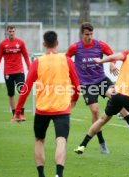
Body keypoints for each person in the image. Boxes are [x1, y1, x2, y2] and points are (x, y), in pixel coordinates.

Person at [74, 39, 129, 158]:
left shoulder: (128, 54)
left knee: (102, 120)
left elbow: (113, 57)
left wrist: (101, 60)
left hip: (117, 95)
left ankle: (82, 145)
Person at [12, 31, 80, 177]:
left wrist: (18, 111)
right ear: (57, 43)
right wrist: (74, 98)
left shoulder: (38, 62)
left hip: (42, 109)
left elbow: (26, 88)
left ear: (44, 44)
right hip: (62, 108)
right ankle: (59, 174)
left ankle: (41, 175)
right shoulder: (66, 60)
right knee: (61, 140)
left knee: (39, 140)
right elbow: (76, 84)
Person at [66, 22, 129, 154]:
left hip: (101, 79)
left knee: (117, 97)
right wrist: (72, 67)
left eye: (91, 34)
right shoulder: (75, 47)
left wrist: (112, 64)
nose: (89, 37)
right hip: (87, 84)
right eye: (87, 34)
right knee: (95, 110)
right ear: (82, 34)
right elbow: (66, 58)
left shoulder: (100, 45)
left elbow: (111, 54)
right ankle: (101, 142)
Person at [0, 25, 30, 115]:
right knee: (11, 94)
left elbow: (26, 56)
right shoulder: (3, 44)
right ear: (7, 32)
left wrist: (29, 67)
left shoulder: (20, 43)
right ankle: (15, 114)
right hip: (8, 72)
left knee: (22, 91)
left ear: (15, 32)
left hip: (19, 71)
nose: (11, 33)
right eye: (10, 31)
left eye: (13, 31)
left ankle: (21, 113)